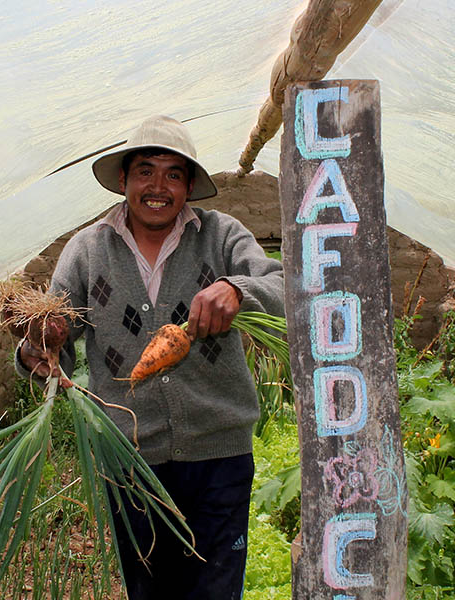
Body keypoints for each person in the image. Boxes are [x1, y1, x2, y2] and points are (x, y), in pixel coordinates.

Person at [17, 114, 284, 599]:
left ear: (188, 185)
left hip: (219, 457)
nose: (158, 187)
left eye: (173, 174)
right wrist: (40, 346)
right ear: (123, 180)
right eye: (145, 171)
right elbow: (52, 336)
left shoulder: (222, 236)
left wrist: (237, 289)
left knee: (216, 590)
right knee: (147, 590)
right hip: (129, 462)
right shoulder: (86, 252)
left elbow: (284, 286)